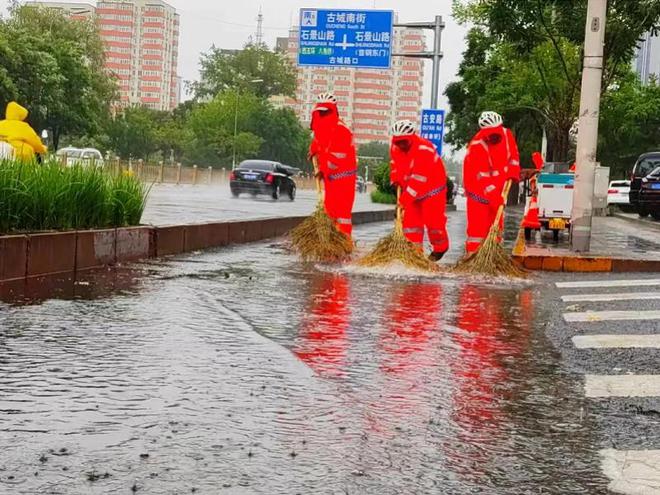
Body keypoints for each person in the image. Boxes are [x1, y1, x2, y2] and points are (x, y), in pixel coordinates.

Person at [390, 120, 449, 261]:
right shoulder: (395, 147)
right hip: (411, 191)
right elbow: (395, 165)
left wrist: (403, 201)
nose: (401, 145)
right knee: (410, 225)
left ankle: (440, 248)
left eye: (404, 142)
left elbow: (419, 179)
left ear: (412, 137)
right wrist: (395, 179)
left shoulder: (424, 150)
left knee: (434, 223)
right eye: (398, 142)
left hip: (432, 192)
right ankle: (414, 255)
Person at [463, 111, 521, 254]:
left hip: (499, 186)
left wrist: (513, 173)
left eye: (496, 132)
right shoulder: (476, 146)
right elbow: (483, 178)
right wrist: (495, 198)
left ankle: (494, 254)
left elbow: (513, 156)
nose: (493, 137)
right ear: (483, 132)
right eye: (490, 134)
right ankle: (473, 256)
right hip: (477, 191)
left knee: (496, 226)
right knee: (477, 230)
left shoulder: (507, 135)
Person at [308, 93, 357, 238]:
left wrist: (323, 170)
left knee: (342, 214)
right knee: (329, 210)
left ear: (333, 111)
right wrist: (313, 150)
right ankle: (330, 242)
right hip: (331, 177)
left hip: (343, 178)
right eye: (320, 112)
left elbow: (337, 157)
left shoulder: (341, 130)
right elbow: (319, 142)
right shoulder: (323, 128)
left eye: (326, 112)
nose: (323, 115)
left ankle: (344, 243)